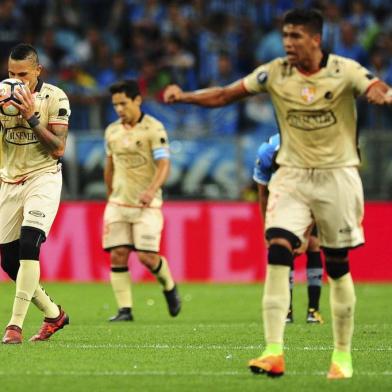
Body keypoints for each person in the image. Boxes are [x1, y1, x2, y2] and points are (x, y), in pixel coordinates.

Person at [164, 8, 392, 379]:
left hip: (338, 177)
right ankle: (273, 351)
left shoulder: (345, 70)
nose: (288, 43)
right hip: (292, 176)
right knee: (278, 249)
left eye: (296, 36)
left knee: (336, 265)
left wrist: (382, 94)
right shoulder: (274, 72)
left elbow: (376, 86)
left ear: (316, 39)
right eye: (286, 35)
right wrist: (184, 96)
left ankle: (342, 356)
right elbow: (225, 94)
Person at [0, 43, 71, 344]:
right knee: (8, 261)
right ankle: (54, 314)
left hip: (43, 177)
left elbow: (58, 148)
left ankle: (14, 325)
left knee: (30, 242)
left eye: (23, 75)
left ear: (38, 71)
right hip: (9, 181)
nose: (17, 81)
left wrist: (31, 117)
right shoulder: (2, 95)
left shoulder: (55, 97)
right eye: (11, 74)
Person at [102, 79, 181, 322]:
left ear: (137, 100)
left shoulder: (153, 129)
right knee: (118, 253)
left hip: (147, 203)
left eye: (123, 103)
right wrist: (110, 193)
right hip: (118, 203)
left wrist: (152, 189)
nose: (119, 109)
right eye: (115, 105)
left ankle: (168, 284)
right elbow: (110, 165)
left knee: (147, 257)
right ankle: (125, 310)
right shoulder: (112, 131)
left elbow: (164, 164)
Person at [254, 133, 323, 324]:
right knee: (283, 246)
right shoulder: (266, 153)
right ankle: (287, 310)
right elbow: (263, 196)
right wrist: (266, 229)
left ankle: (313, 310)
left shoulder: (310, 152)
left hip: (309, 196)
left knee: (314, 244)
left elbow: (316, 198)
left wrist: (305, 236)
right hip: (283, 199)